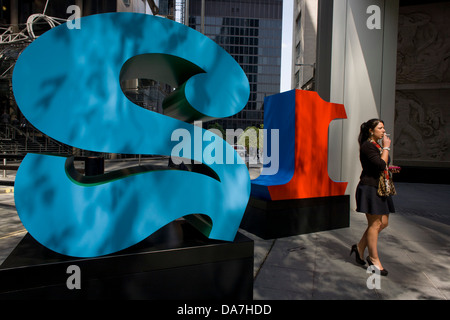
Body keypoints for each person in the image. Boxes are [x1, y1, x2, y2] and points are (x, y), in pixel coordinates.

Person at [350, 119, 395, 276]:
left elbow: (383, 164)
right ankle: (374, 259)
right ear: (371, 130)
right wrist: (387, 147)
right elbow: (381, 165)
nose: (383, 131)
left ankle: (360, 247)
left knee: (383, 223)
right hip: (369, 189)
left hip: (380, 188)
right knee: (375, 224)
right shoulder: (368, 146)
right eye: (380, 128)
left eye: (384, 128)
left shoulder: (377, 145)